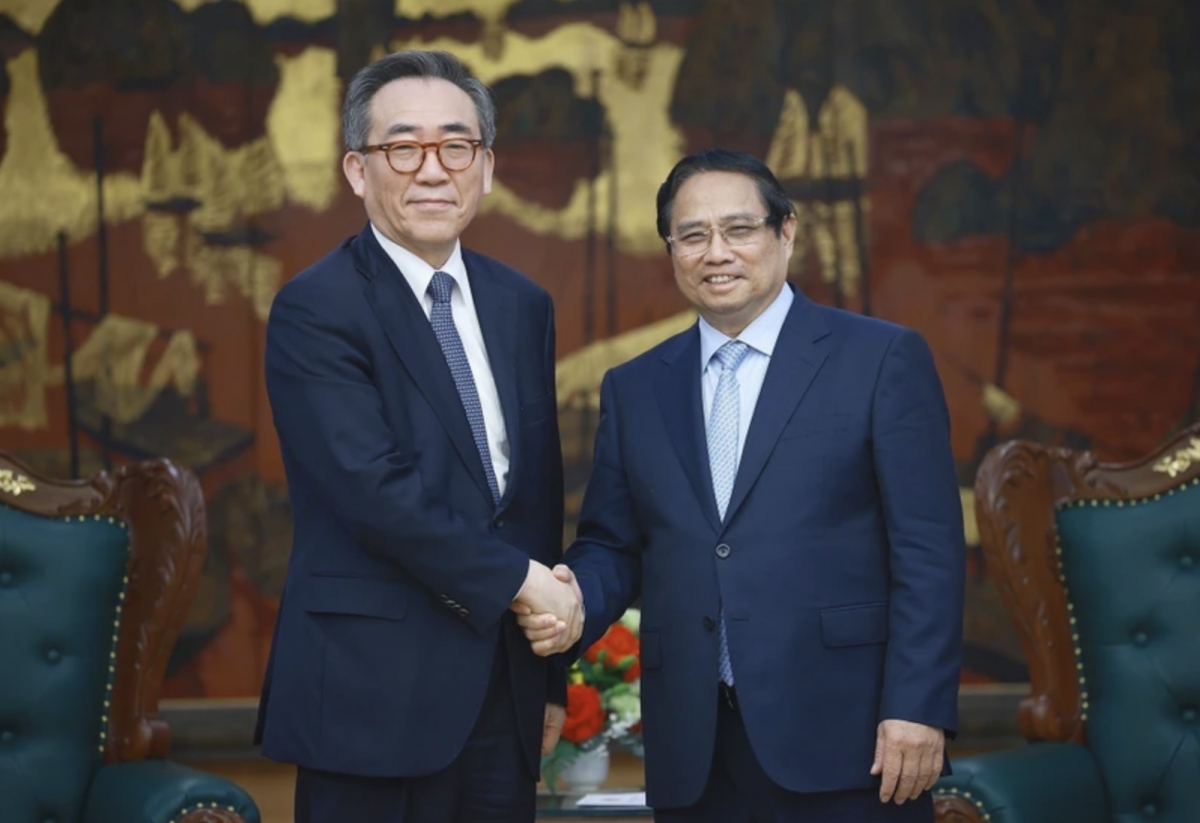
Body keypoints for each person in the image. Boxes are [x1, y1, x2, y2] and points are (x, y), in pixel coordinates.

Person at [517, 150, 966, 822]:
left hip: (851, 737)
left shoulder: (880, 359)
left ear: (786, 232)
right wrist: (569, 604)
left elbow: (928, 550)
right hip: (697, 749)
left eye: (739, 229)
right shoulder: (636, 388)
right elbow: (613, 543)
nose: (716, 252)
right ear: (672, 251)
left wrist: (918, 706)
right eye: (692, 235)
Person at [255, 49, 582, 823]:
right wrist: (524, 582)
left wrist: (549, 676)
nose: (433, 170)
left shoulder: (522, 304)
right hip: (372, 696)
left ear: (486, 167)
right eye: (403, 147)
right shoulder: (316, 308)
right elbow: (373, 490)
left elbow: (533, 497)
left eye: (456, 146)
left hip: (503, 694)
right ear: (358, 170)